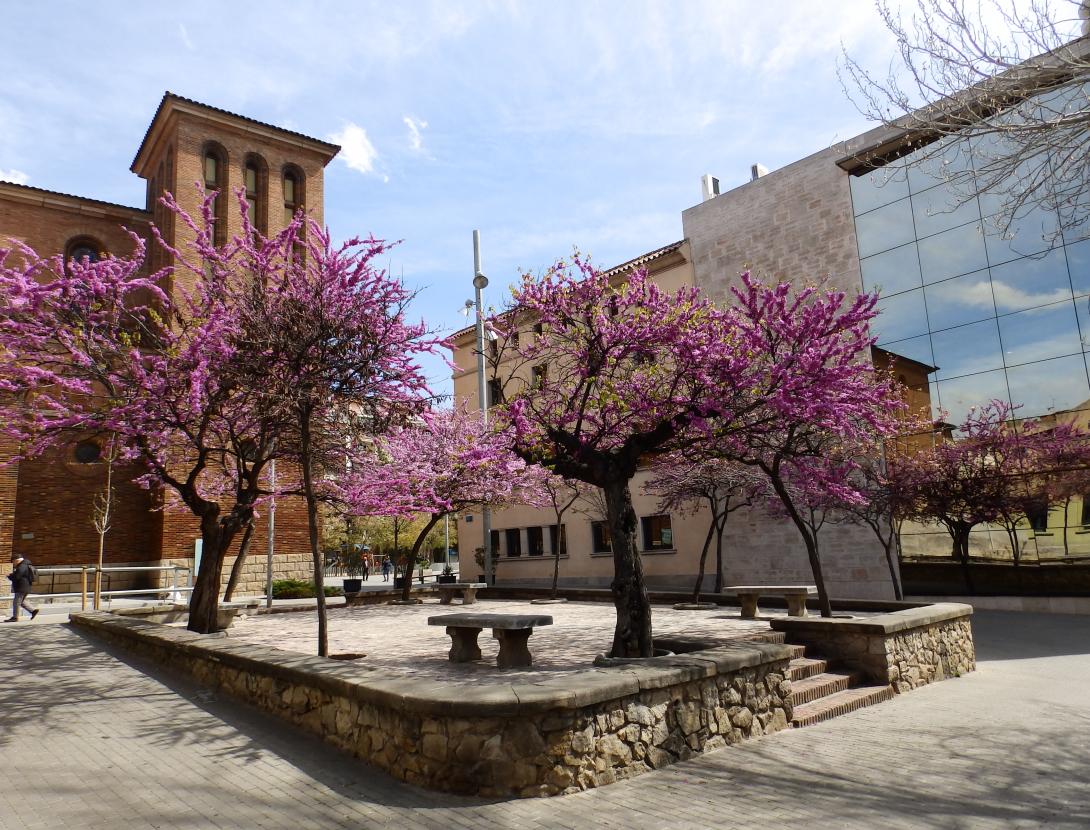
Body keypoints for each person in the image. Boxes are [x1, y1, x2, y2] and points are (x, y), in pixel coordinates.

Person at [5, 555, 39, 622]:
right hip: (25, 587)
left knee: (16, 602)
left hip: (21, 587)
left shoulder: (22, 566)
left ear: (17, 560)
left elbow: (17, 576)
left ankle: (15, 617)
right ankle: (33, 611)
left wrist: (10, 576)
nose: (13, 564)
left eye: (13, 562)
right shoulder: (25, 564)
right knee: (21, 601)